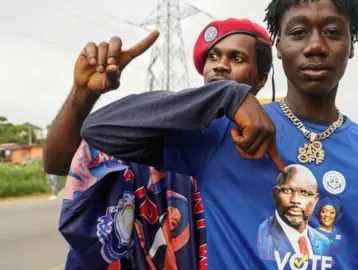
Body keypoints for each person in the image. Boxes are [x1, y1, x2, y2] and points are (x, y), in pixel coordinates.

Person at [79, 0, 358, 269]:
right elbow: (99, 130)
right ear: (279, 46)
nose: (316, 46)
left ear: (351, 44)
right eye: (298, 32)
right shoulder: (222, 134)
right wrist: (227, 94)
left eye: (332, 32)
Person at [44, 18, 274, 269]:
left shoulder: (272, 144)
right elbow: (59, 163)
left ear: (261, 80)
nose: (220, 66)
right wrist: (83, 92)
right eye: (213, 57)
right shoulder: (160, 129)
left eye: (237, 59)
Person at [257, 164, 329, 261]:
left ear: (315, 200)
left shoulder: (323, 242)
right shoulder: (261, 237)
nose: (295, 200)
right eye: (287, 190)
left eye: (305, 193)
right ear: (274, 194)